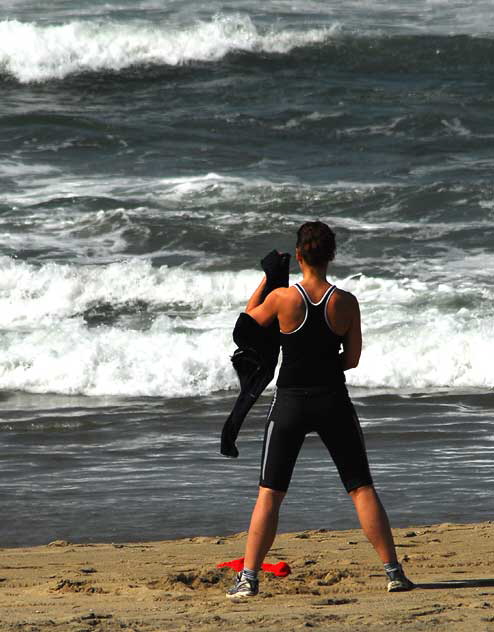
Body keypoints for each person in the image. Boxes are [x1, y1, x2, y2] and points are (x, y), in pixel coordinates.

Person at [227, 220, 414, 598]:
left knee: (270, 493)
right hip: (334, 402)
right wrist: (324, 365)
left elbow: (244, 329)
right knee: (361, 488)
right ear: (331, 255)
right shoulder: (346, 302)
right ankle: (393, 573)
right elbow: (354, 359)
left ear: (298, 256)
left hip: (290, 404)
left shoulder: (283, 300)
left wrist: (267, 280)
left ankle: (248, 578)